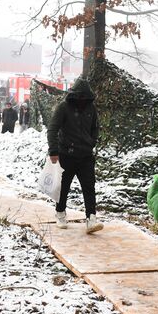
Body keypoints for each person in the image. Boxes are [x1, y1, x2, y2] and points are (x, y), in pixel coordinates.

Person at [47, 77, 104, 234]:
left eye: (85, 97)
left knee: (89, 187)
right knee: (63, 187)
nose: (82, 100)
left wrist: (92, 141)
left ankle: (91, 218)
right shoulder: (64, 107)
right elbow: (52, 129)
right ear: (75, 95)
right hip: (67, 154)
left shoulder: (91, 108)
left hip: (86, 155)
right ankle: (60, 213)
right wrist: (53, 151)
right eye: (80, 97)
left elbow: (95, 127)